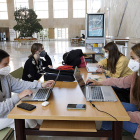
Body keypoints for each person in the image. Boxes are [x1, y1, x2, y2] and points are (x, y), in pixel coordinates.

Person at [86, 43, 140, 140]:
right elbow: (119, 81)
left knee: (111, 114)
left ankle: (104, 136)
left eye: (132, 58)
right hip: (137, 110)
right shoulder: (136, 75)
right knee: (109, 108)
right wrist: (99, 83)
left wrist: (127, 115)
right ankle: (105, 136)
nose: (130, 61)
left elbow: (116, 76)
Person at [0, 49, 55, 130]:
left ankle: (36, 128)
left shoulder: (4, 76)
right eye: (5, 64)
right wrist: (18, 97)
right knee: (20, 119)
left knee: (22, 111)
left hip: (4, 113)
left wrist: (41, 85)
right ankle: (37, 129)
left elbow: (20, 84)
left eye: (8, 64)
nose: (7, 67)